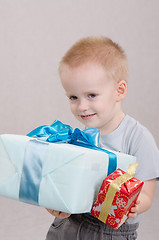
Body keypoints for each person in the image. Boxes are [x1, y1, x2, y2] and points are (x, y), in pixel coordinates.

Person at [45, 36, 159, 240]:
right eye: (73, 97)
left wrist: (135, 203)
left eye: (91, 95)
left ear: (119, 90)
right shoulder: (79, 138)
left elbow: (148, 194)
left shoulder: (138, 138)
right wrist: (58, 204)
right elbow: (69, 185)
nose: (81, 106)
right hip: (69, 224)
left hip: (110, 232)